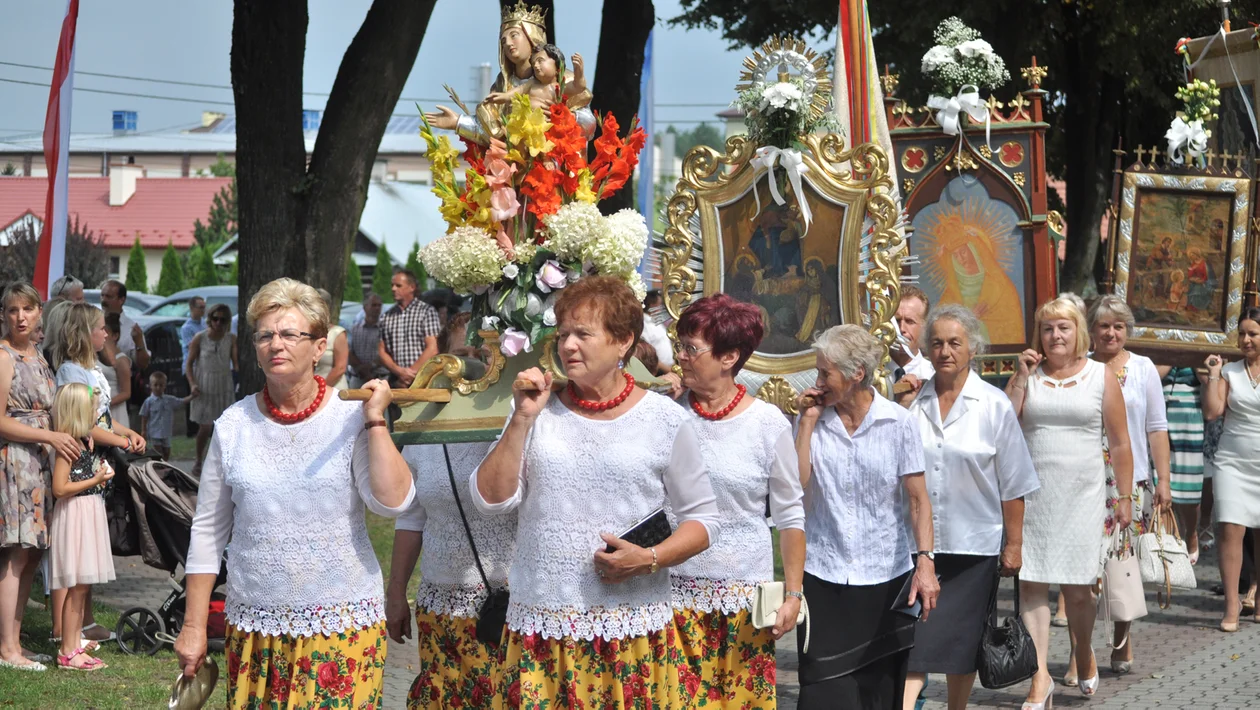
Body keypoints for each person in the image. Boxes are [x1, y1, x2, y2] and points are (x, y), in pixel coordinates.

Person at [472, 275, 721, 708]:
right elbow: (491, 500)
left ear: (623, 341)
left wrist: (648, 557)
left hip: (629, 632)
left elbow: (704, 521)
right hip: (541, 628)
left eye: (583, 334)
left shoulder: (664, 419)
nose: (567, 345)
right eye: (563, 333)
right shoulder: (536, 410)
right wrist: (521, 419)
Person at [174, 278, 415, 707]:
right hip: (256, 629)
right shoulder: (233, 426)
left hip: (341, 626)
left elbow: (392, 502)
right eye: (265, 335)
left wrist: (376, 421)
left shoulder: (349, 415)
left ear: (319, 346)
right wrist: (194, 625)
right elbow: (208, 532)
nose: (275, 345)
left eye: (289, 334)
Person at [794, 324, 939, 710]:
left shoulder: (898, 422)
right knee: (821, 693)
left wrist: (925, 564)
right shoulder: (813, 419)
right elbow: (796, 488)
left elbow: (918, 500)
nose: (818, 380)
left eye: (826, 372)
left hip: (885, 576)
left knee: (878, 694)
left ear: (857, 373)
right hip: (824, 574)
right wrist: (806, 422)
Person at [671, 293, 806, 708]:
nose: (680, 357)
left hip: (742, 600)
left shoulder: (765, 423)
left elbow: (790, 514)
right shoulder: (666, 414)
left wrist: (794, 595)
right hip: (671, 593)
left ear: (729, 357)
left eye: (691, 349)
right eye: (679, 346)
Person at [901, 305, 1039, 710]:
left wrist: (1013, 545)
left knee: (961, 647)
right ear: (927, 349)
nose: (945, 351)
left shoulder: (993, 405)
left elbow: (1013, 484)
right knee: (917, 643)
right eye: (938, 343)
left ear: (973, 348)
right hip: (919, 546)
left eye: (954, 342)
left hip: (973, 547)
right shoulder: (912, 406)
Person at [1004, 296, 1133, 707]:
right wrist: (1021, 377)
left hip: (1083, 495)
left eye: (1063, 327)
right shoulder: (1030, 374)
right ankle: (1039, 676)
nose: (1055, 335)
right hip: (1033, 494)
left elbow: (1120, 441)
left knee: (1079, 591)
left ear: (1078, 332)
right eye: (1047, 328)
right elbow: (1006, 426)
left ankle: (1081, 650)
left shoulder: (1100, 376)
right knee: (1032, 584)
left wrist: (1125, 497)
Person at [50, 302, 145, 648]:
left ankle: (83, 623)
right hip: (81, 461)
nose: (106, 333)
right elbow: (85, 423)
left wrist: (127, 432)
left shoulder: (92, 369)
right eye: (101, 327)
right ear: (84, 332)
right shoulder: (71, 373)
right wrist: (119, 439)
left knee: (85, 551)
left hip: (97, 463)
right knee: (71, 553)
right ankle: (62, 628)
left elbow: (102, 417)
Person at [1085, 295, 1172, 674]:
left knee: (1122, 563)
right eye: (1104, 325)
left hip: (1130, 482)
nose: (1111, 332)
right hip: (1088, 478)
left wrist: (1163, 479)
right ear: (1091, 331)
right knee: (1088, 565)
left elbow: (1156, 426)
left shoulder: (1143, 368)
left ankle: (1122, 635)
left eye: (1118, 326)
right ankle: (1081, 647)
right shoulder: (1080, 367)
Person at [0, 283, 79, 671]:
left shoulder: (39, 354)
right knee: (15, 556)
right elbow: (0, 422)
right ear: (4, 315)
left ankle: (15, 644)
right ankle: (7, 648)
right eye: (13, 310)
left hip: (42, 465)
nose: (20, 317)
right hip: (16, 464)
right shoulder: (3, 357)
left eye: (27, 309)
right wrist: (49, 435)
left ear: (38, 313)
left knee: (31, 555)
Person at [47, 383, 116, 671]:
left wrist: (99, 473)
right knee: (75, 586)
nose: (97, 413)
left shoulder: (84, 442)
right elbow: (60, 488)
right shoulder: (69, 447)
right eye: (92, 409)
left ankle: (74, 643)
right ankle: (67, 649)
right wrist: (95, 480)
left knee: (82, 586)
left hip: (87, 514)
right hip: (75, 517)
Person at [1203, 306, 1260, 632]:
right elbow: (1212, 412)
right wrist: (1213, 373)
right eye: (1242, 333)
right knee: (1230, 528)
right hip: (1232, 463)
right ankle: (1231, 607)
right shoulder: (1230, 372)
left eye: (1252, 333)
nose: (1246, 340)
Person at [1158, 362, 1210, 563]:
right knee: (1158, 482)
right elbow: (1149, 376)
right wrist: (1172, 355)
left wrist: (1193, 357)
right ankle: (1168, 544)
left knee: (1189, 487)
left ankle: (1190, 532)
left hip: (1190, 413)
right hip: (1158, 408)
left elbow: (1208, 380)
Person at [185, 304, 237, 476]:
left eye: (222, 320)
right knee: (205, 426)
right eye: (215, 318)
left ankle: (223, 462)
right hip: (204, 385)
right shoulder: (200, 337)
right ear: (210, 319)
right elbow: (189, 364)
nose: (218, 323)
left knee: (225, 427)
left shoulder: (231, 338)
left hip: (224, 385)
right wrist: (192, 384)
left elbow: (235, 365)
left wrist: (237, 380)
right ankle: (199, 459)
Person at [379, 271, 441, 387]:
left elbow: (433, 347)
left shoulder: (426, 311)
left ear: (411, 287)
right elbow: (382, 351)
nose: (393, 289)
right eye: (392, 285)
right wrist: (399, 371)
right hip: (396, 380)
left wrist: (409, 374)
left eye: (398, 285)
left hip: (423, 380)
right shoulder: (386, 316)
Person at [486, 45, 587, 110]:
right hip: (528, 130)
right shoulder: (532, 84)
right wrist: (503, 97)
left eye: (540, 61)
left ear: (557, 65)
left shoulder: (558, 88)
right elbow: (517, 91)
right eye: (534, 64)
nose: (536, 66)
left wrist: (579, 71)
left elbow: (578, 87)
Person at [139, 372, 196, 460]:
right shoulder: (148, 401)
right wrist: (143, 430)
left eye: (161, 385)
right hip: (154, 432)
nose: (158, 387)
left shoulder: (169, 400)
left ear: (165, 386)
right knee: (157, 452)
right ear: (151, 386)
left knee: (166, 451)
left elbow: (182, 401)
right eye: (155, 385)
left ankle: (165, 466)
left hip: (166, 432)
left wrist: (192, 396)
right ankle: (157, 466)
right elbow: (144, 416)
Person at [98, 280, 149, 372]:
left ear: (121, 300)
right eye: (102, 295)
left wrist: (139, 342)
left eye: (109, 296)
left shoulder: (131, 329)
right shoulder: (93, 322)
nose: (104, 300)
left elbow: (143, 364)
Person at [891, 286, 935, 389]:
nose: (901, 329)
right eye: (896, 321)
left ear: (924, 327)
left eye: (910, 321)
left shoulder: (933, 377)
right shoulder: (872, 376)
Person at [100, 313, 132, 429]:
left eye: (105, 331)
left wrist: (105, 403)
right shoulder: (101, 357)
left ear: (115, 335)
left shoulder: (121, 360)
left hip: (115, 407)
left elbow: (126, 392)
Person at [349, 293, 388, 387]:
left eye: (379, 305)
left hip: (380, 378)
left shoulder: (386, 329)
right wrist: (362, 370)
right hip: (358, 378)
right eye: (374, 305)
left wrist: (370, 366)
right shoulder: (355, 329)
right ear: (365, 307)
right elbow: (349, 352)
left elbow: (388, 352)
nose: (377, 308)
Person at [314, 289, 349, 389]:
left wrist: (321, 389)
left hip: (334, 390)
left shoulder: (337, 333)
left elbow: (340, 368)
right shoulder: (305, 334)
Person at [179, 296, 207, 363]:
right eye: (201, 307)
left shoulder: (205, 323)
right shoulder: (186, 328)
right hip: (192, 366)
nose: (203, 310)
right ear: (192, 308)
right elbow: (194, 348)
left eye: (204, 307)